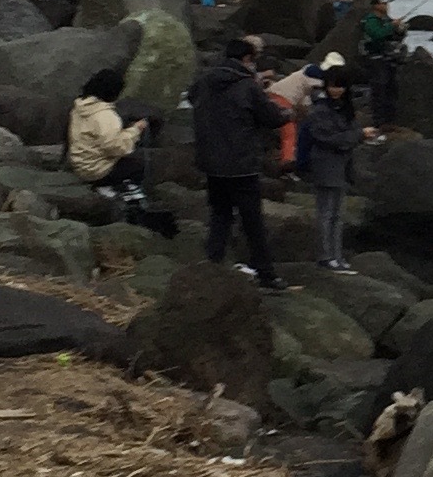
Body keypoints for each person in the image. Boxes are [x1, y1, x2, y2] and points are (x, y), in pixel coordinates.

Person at [188, 35, 287, 289]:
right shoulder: (247, 85)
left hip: (211, 162)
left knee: (220, 214)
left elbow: (192, 98)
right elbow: (272, 117)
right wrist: (288, 112)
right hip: (241, 163)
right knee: (252, 221)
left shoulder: (204, 81)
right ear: (246, 59)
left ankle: (212, 265)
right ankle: (266, 274)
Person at [67, 66, 174, 233]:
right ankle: (121, 190)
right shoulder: (105, 115)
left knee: (128, 155)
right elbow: (116, 148)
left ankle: (112, 186)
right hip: (97, 171)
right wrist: (136, 129)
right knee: (139, 163)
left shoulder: (80, 107)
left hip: (80, 164)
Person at [298, 63, 371, 271]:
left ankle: (336, 256)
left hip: (342, 166)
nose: (336, 90)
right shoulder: (320, 110)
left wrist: (359, 136)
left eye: (340, 86)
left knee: (338, 215)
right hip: (324, 165)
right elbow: (328, 139)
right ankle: (325, 256)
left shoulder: (346, 109)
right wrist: (358, 135)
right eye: (332, 85)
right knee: (326, 213)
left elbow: (348, 136)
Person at [355, 0, 404, 129]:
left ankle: (390, 120)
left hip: (388, 58)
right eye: (384, 3)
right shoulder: (370, 20)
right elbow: (377, 35)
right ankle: (379, 122)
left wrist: (400, 29)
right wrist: (391, 26)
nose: (386, 5)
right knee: (379, 89)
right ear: (376, 5)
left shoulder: (387, 20)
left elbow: (395, 36)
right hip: (375, 59)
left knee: (391, 89)